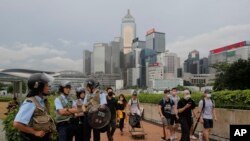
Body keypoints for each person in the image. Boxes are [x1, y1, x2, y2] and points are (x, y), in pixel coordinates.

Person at [13, 73, 55, 141]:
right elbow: (17, 124)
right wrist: (35, 132)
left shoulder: (43, 101)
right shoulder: (30, 103)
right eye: (46, 85)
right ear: (39, 86)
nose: (48, 87)